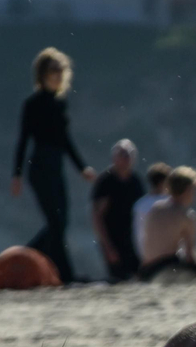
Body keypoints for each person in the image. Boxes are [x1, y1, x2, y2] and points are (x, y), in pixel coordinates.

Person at [11, 48, 96, 283]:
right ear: (42, 74)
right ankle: (64, 275)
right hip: (39, 168)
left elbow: (65, 140)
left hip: (56, 166)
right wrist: (16, 175)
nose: (58, 75)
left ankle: (27, 258)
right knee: (56, 223)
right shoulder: (33, 104)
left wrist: (82, 169)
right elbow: (23, 139)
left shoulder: (60, 104)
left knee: (61, 223)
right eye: (53, 71)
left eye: (61, 70)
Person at [138, 166, 196, 279]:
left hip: (146, 271)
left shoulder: (156, 208)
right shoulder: (186, 215)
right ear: (188, 190)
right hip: (167, 269)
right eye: (193, 190)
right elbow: (190, 256)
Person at [91, 139, 146, 282]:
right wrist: (107, 246)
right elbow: (97, 216)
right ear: (114, 158)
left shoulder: (136, 182)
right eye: (123, 154)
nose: (126, 159)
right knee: (118, 278)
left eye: (129, 155)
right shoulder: (106, 182)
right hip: (112, 238)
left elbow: (142, 212)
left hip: (133, 237)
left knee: (139, 276)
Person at [133, 162, 172, 260]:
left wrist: (144, 256)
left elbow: (139, 234)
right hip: (170, 256)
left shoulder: (140, 205)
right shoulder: (171, 203)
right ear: (163, 182)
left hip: (149, 257)